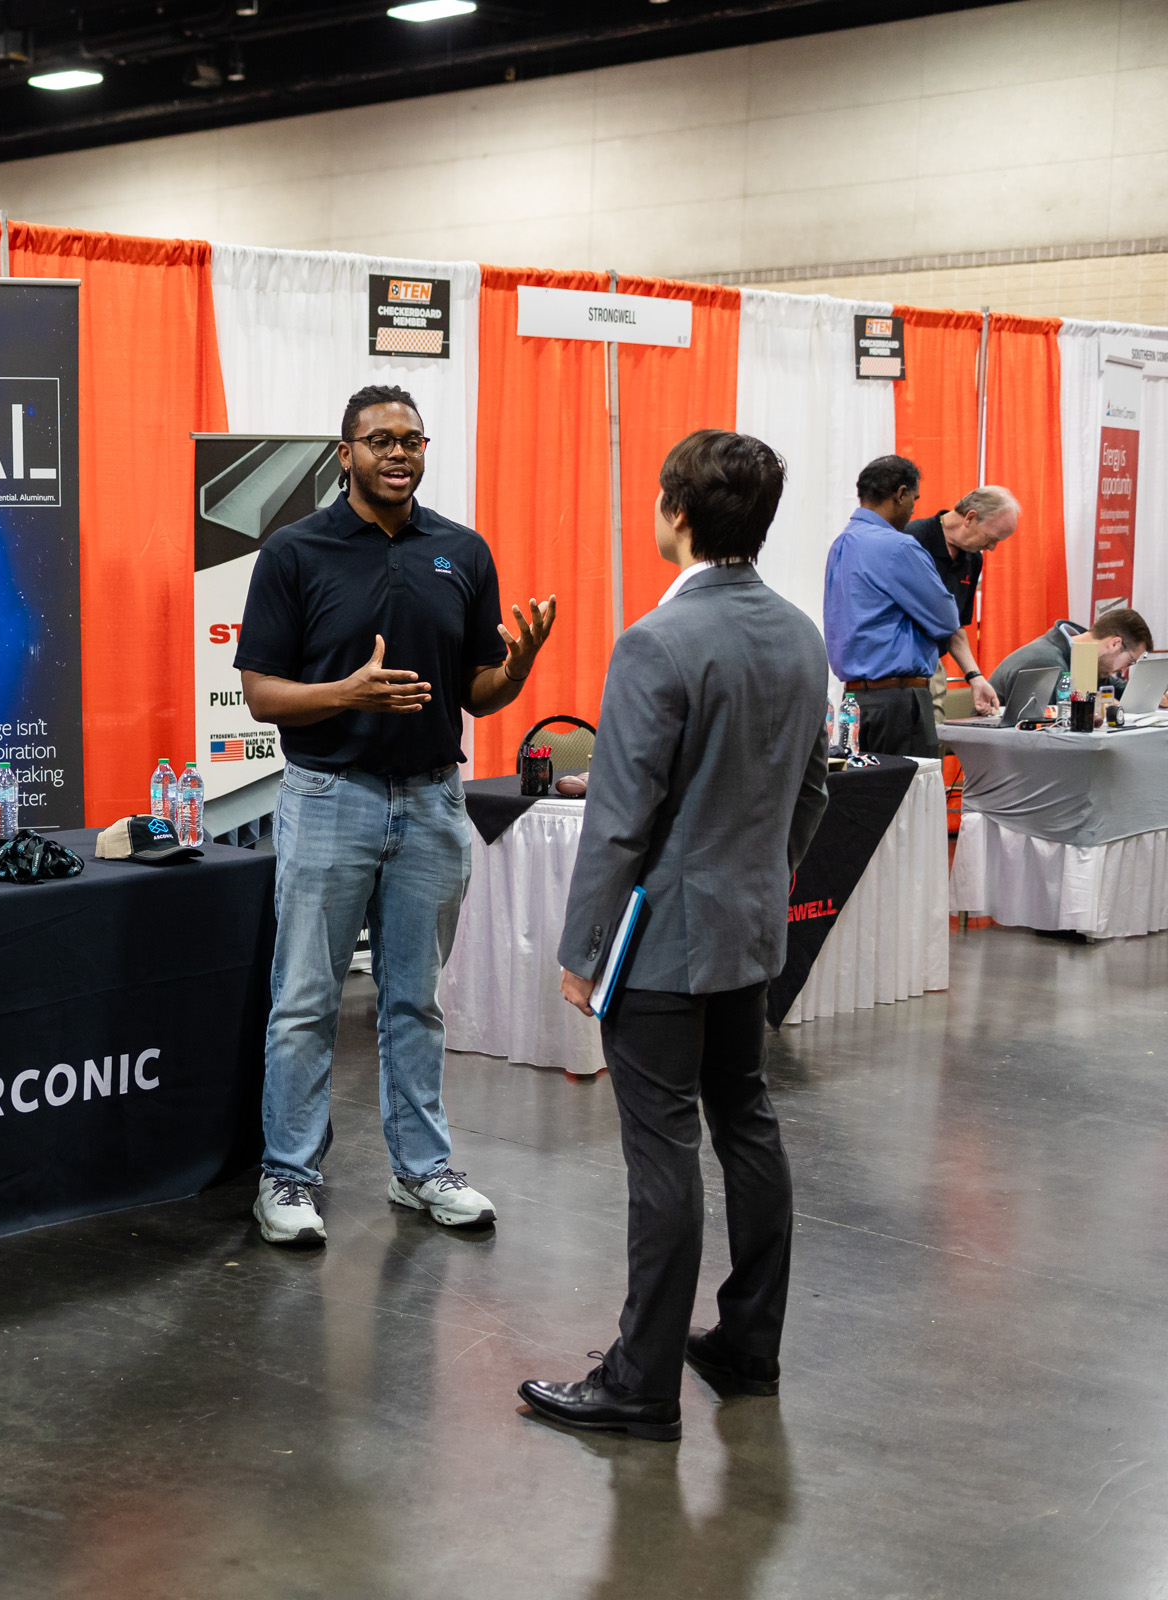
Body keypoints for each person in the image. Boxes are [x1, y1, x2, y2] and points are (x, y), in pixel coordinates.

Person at [519, 430, 829, 1443]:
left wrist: (581, 947)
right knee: (745, 1119)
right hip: (746, 932)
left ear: (678, 513)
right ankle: (749, 1345)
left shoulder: (656, 642)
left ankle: (639, 1381)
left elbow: (618, 817)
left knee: (662, 1152)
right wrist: (765, 876)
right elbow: (813, 790)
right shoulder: (798, 632)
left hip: (659, 946)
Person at [235, 383, 556, 1246]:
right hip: (327, 798)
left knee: (415, 1000)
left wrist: (517, 668)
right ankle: (289, 1179)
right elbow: (261, 695)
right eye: (380, 440)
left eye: (412, 439)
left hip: (431, 803)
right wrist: (346, 693)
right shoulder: (294, 552)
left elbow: (480, 695)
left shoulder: (460, 551)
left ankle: (423, 1172)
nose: (399, 454)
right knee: (305, 999)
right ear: (344, 455)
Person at [823, 454, 959, 756]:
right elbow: (948, 619)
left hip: (855, 702)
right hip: (898, 703)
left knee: (865, 799)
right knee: (908, 800)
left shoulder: (841, 544)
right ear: (900, 494)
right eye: (914, 498)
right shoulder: (898, 546)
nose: (914, 509)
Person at [903, 485, 1019, 715]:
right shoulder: (911, 539)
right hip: (897, 668)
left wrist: (975, 677)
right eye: (990, 538)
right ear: (970, 517)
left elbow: (956, 627)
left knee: (933, 740)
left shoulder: (972, 559)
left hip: (932, 665)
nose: (992, 548)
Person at [991, 608, 1154, 708]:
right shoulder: (1046, 662)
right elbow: (1049, 727)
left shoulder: (1089, 661)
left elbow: (1118, 688)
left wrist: (1154, 695)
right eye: (1130, 661)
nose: (1124, 670)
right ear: (1115, 644)